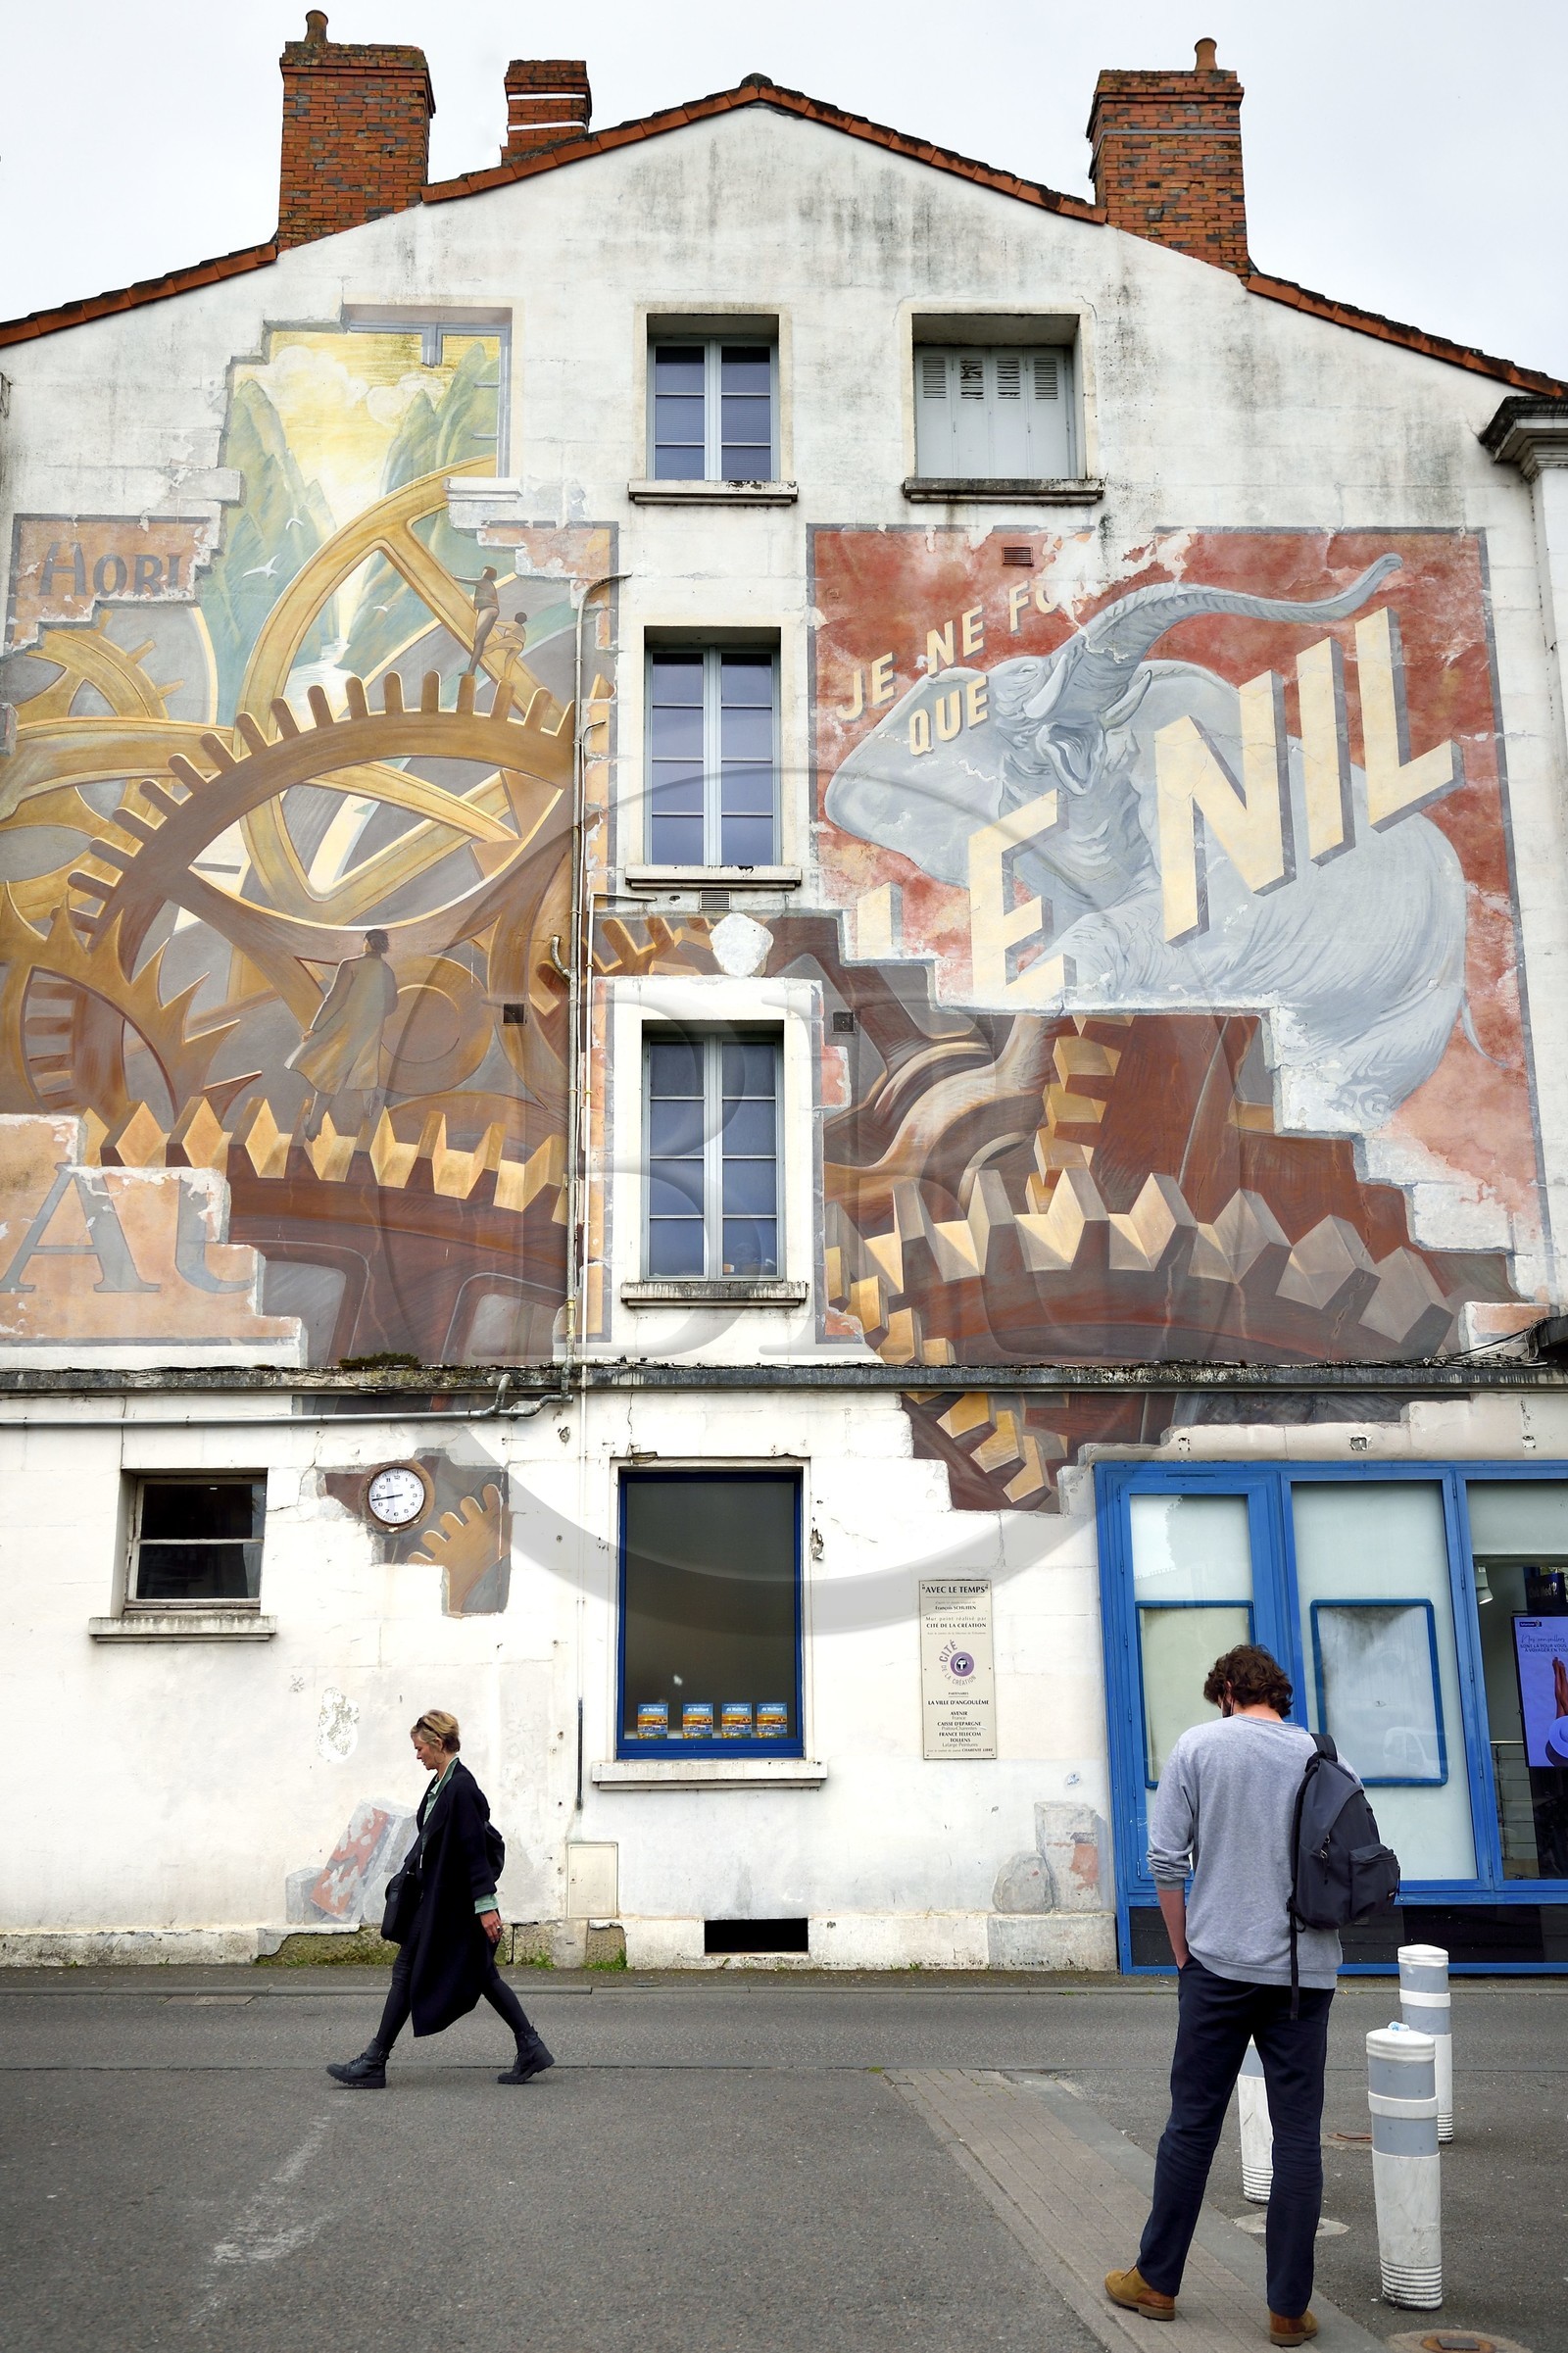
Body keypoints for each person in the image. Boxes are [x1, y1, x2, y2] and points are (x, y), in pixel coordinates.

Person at [1105, 1643, 1346, 2348]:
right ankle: (1286, 2309)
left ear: (1228, 1691)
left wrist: (1182, 1951)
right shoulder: (1326, 1756)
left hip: (1216, 1965)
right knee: (1298, 2134)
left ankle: (1155, 2281)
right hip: (1305, 1972)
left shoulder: (1200, 1747)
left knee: (1192, 2124)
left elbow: (1165, 1859)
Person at [327, 1709, 554, 2090]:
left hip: (453, 1905)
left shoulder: (461, 1787)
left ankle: (374, 2060)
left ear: (437, 1743)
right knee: (475, 1974)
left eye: (419, 1748)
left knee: (420, 1973)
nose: (417, 1755)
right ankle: (529, 2044)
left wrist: (485, 1906)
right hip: (436, 1901)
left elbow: (472, 1851)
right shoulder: (441, 1784)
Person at [286, 928, 399, 1140]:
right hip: (370, 1029)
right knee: (366, 1071)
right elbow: (392, 1003)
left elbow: (334, 998)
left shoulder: (350, 965)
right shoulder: (387, 971)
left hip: (343, 1029)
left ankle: (313, 1127)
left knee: (328, 1075)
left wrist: (315, 1027)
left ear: (367, 943)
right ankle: (369, 1115)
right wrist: (373, 1016)